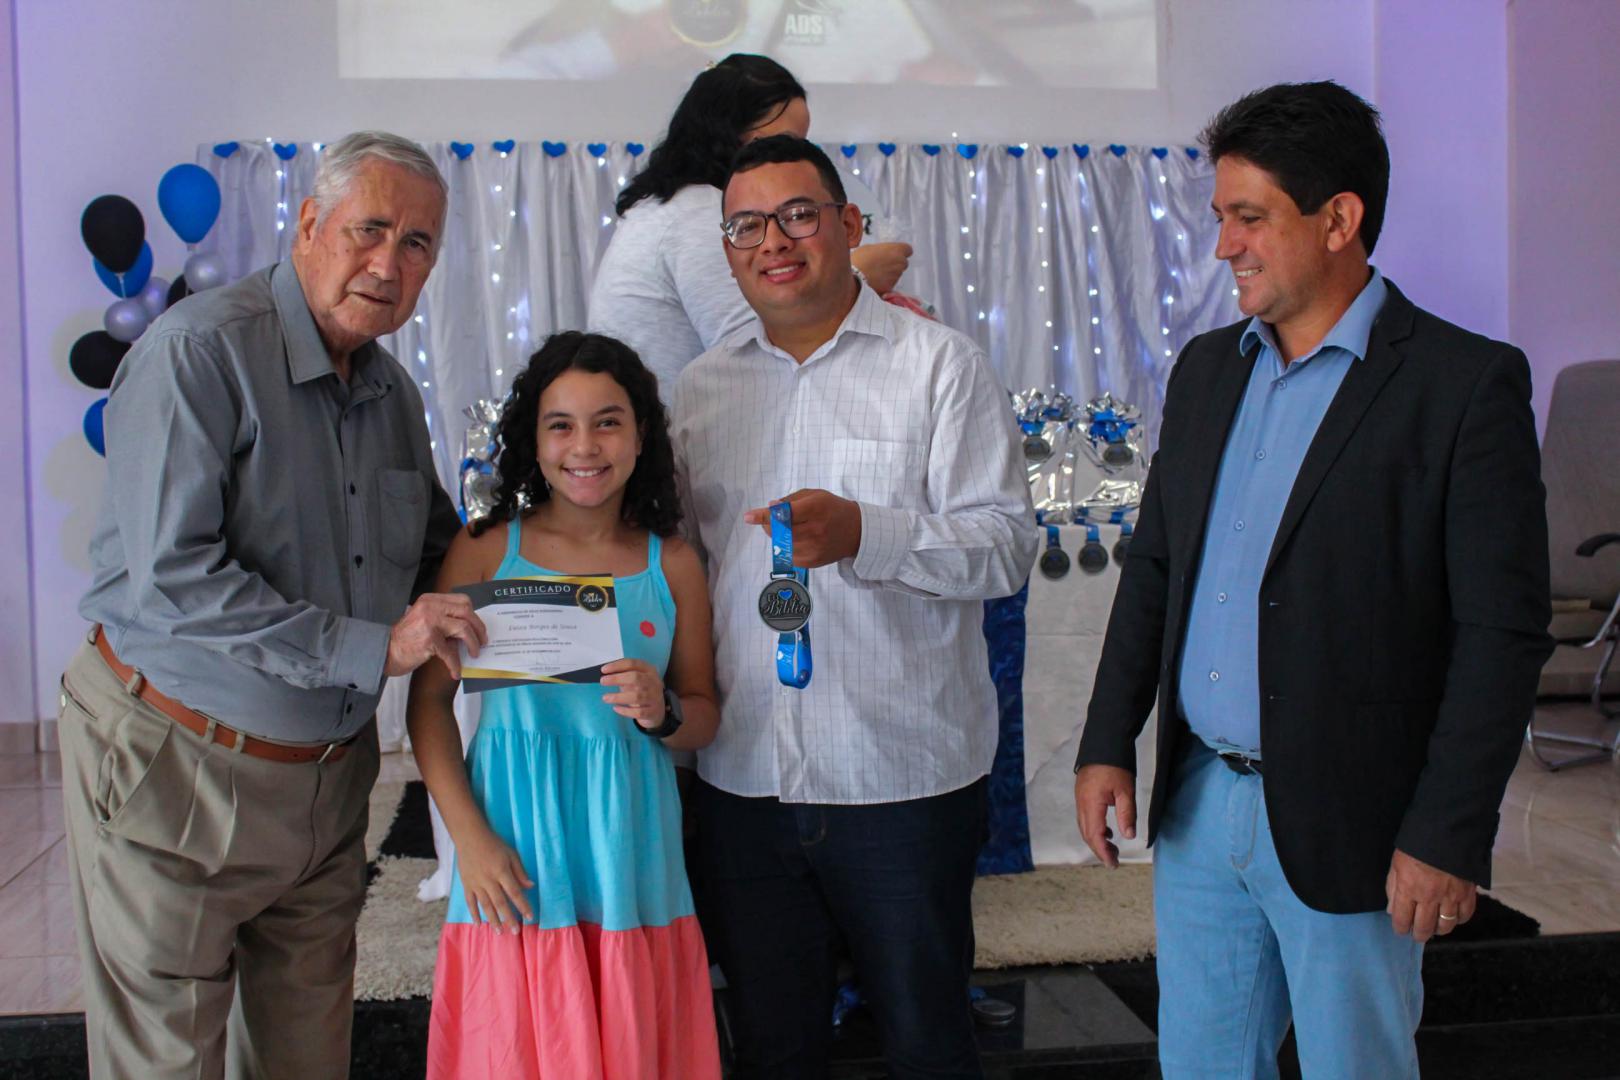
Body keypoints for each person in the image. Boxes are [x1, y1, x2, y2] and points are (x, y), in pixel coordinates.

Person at [1072, 82, 1553, 1079]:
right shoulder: (1207, 370)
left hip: (1358, 822)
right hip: (1199, 809)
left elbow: (1499, 635)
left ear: (1339, 220)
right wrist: (1107, 739)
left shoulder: (1463, 385)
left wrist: (1447, 833)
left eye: (1250, 218)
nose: (1224, 246)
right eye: (1221, 217)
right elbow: (1156, 563)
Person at [62, 131, 482, 1079]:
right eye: (370, 229)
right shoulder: (199, 352)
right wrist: (376, 649)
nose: (389, 264)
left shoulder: (392, 394)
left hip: (328, 783)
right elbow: (175, 580)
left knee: (306, 1057)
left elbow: (436, 553)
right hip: (180, 761)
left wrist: (563, 575)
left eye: (417, 244)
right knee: (165, 1062)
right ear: (308, 225)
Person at [674, 134, 1037, 1079]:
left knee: (927, 1046)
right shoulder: (698, 393)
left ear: (847, 224)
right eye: (746, 226)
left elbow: (1006, 547)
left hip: (900, 778)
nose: (773, 241)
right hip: (746, 777)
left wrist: (867, 535)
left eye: (797, 215)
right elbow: (677, 573)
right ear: (728, 249)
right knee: (774, 1050)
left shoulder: (940, 366)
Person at [409, 331, 723, 1078]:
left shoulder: (673, 563)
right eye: (562, 425)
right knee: (513, 1041)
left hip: (628, 844)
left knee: (629, 1033)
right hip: (512, 839)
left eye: (608, 422)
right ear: (534, 439)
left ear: (641, 436)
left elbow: (705, 711)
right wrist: (469, 841)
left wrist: (664, 711)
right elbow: (427, 706)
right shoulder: (486, 550)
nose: (585, 446)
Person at [588, 52, 912, 398]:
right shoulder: (696, 215)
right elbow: (760, 356)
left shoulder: (671, 204)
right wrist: (855, 275)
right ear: (727, 133)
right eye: (779, 142)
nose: (793, 159)